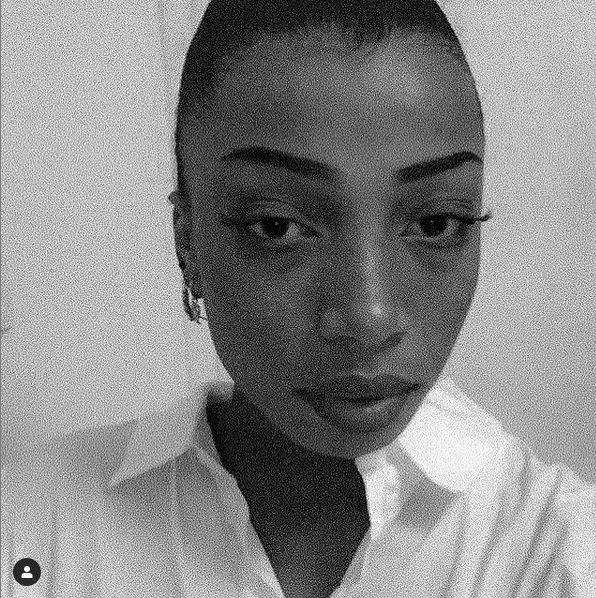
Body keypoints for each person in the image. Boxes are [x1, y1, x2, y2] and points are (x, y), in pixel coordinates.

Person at [1, 0, 594, 597]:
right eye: (276, 226)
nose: (368, 318)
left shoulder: (558, 552)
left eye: (436, 223)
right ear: (187, 241)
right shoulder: (32, 529)